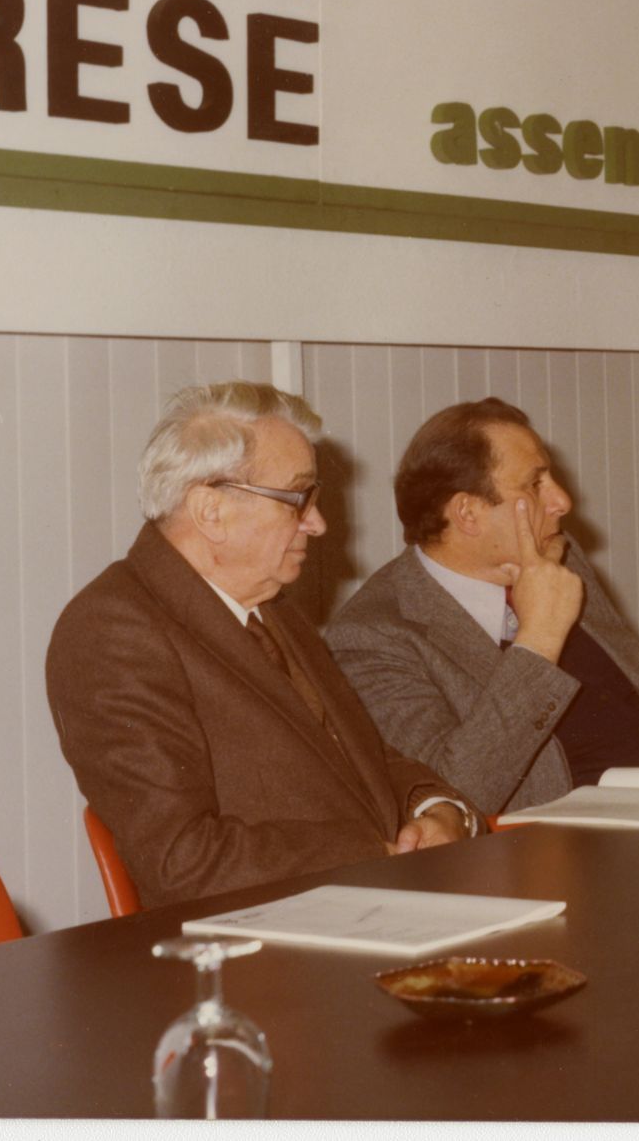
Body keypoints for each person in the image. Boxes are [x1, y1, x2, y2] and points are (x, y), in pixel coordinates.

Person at [46, 382, 474, 909]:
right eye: (298, 499)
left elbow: (361, 758)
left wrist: (439, 809)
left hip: (354, 912)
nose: (318, 524)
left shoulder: (271, 610)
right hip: (257, 955)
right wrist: (376, 852)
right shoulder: (113, 632)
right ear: (210, 511)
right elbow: (182, 861)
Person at [328, 398, 639, 817]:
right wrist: (539, 639)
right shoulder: (374, 635)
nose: (563, 501)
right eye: (534, 484)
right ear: (468, 513)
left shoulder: (561, 555)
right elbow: (455, 794)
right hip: (585, 825)